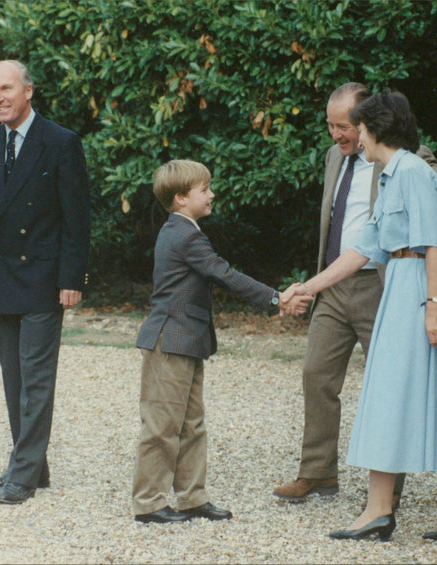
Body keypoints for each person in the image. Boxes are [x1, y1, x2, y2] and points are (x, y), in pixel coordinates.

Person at [273, 83, 437, 507]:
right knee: (316, 374)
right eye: (330, 126)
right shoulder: (338, 157)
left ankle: (388, 491)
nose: (337, 135)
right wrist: (310, 286)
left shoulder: (410, 164)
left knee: (392, 387)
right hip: (335, 280)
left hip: (386, 285)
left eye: (345, 126)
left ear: (369, 122)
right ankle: (318, 474)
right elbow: (359, 232)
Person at [132, 159, 310, 524]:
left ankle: (192, 497)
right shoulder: (185, 235)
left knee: (192, 423)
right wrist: (277, 298)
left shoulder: (182, 230)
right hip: (172, 340)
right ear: (181, 198)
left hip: (187, 340)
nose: (212, 194)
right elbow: (224, 274)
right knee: (163, 426)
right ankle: (149, 502)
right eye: (204, 189)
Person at [0, 60, 91, 504]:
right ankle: (30, 464)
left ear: (28, 90)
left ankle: (24, 474)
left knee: (36, 379)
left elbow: (78, 218)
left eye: (6, 89)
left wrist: (72, 277)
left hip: (44, 279)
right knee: (14, 378)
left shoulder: (61, 142)